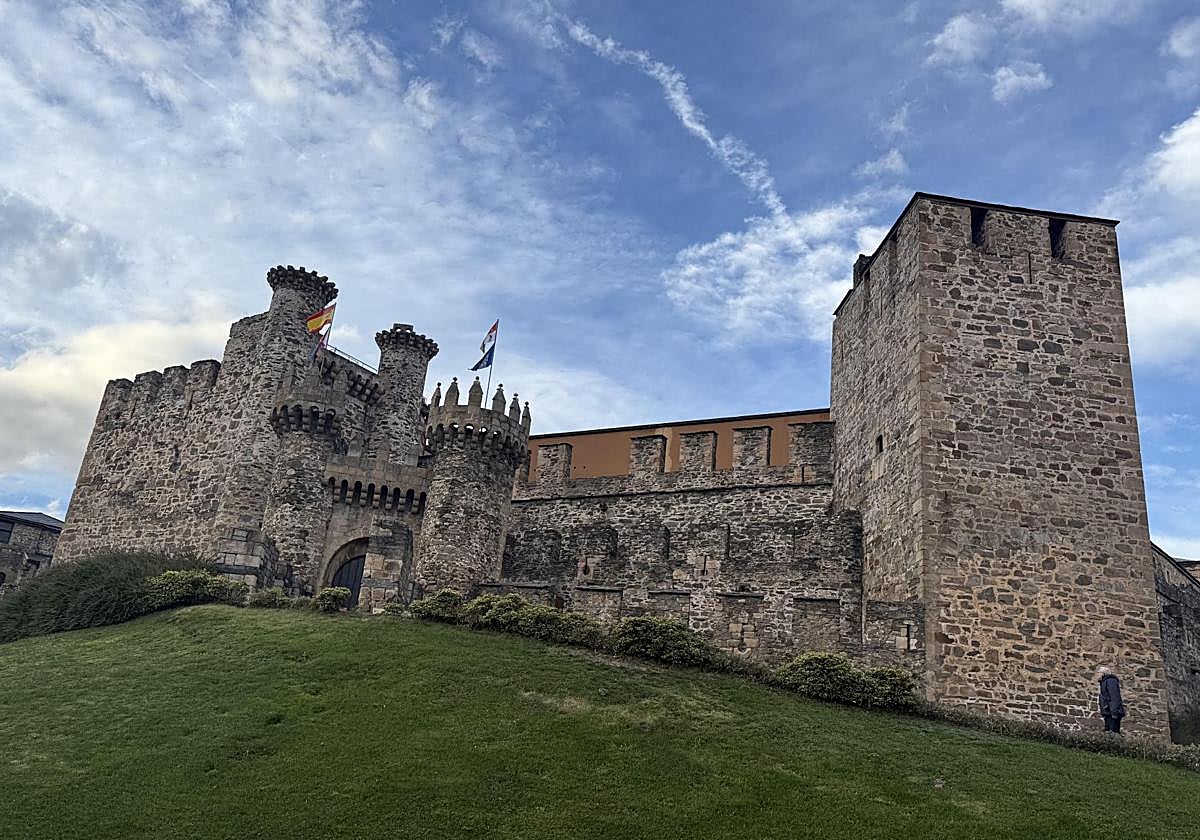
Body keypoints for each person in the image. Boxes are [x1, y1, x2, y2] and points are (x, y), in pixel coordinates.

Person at [1097, 666, 1126, 734]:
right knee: (1108, 733)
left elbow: (1114, 697)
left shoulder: (1110, 681)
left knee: (1113, 733)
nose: (1098, 674)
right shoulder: (1104, 682)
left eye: (1099, 672)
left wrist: (1114, 713)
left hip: (1112, 713)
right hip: (1108, 712)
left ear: (1103, 673)